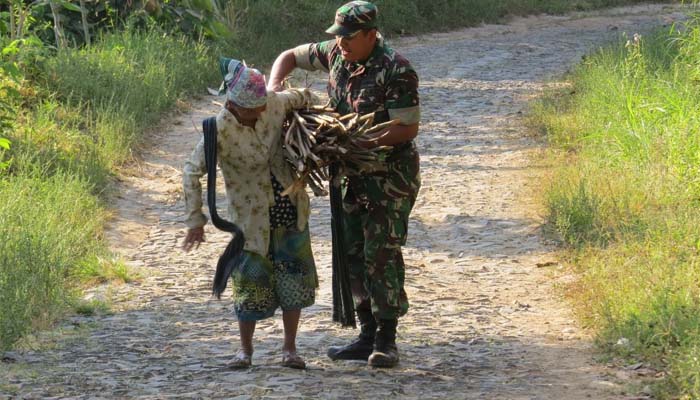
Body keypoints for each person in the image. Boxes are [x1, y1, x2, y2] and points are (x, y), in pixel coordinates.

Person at [268, 0, 420, 368]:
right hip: (348, 177)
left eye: (349, 38)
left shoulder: (396, 69)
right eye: (338, 37)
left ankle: (387, 340)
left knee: (379, 255)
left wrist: (357, 141)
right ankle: (365, 334)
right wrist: (275, 85)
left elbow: (407, 128)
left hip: (389, 179)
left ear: (371, 35)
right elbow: (288, 55)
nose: (342, 45)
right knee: (351, 254)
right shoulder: (336, 53)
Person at [181, 58, 319, 369]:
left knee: (293, 278)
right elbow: (191, 172)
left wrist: (314, 129)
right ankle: (245, 351)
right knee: (250, 283)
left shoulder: (270, 102)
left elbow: (306, 97)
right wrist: (195, 220)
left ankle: (290, 349)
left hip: (289, 206)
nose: (259, 112)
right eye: (251, 109)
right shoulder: (216, 131)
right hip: (249, 219)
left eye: (261, 106)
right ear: (232, 104)